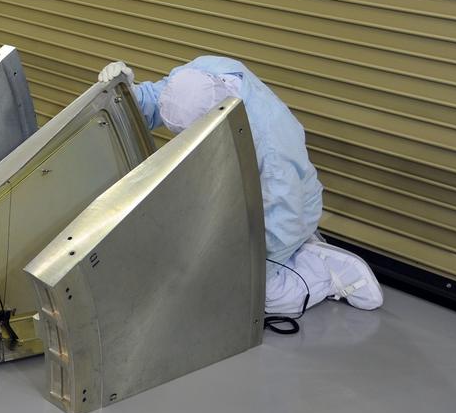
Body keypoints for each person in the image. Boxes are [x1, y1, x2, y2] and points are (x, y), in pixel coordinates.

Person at [97, 55, 383, 318]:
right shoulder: (206, 75)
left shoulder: (273, 151)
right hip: (249, 197)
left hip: (290, 212)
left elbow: (283, 216)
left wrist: (250, 266)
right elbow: (165, 100)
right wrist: (127, 94)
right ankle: (301, 252)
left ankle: (325, 272)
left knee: (260, 295)